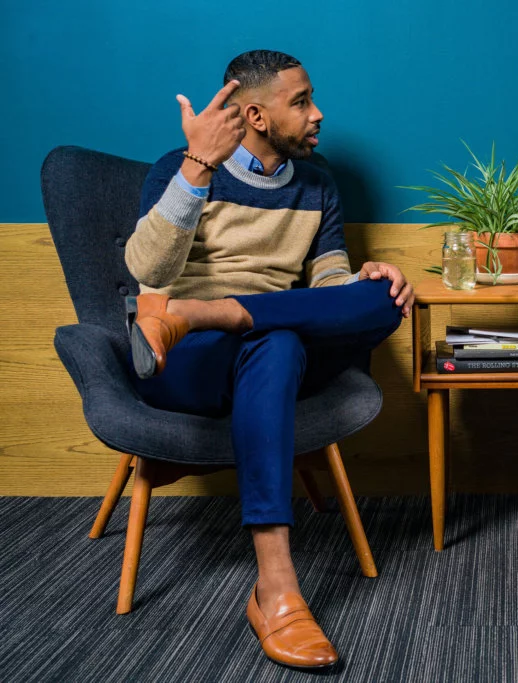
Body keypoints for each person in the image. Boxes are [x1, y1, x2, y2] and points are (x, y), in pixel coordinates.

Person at [125, 50, 414, 669]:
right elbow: (147, 272)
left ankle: (209, 312)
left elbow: (327, 273)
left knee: (384, 300)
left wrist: (360, 280)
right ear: (255, 114)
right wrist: (198, 167)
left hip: (250, 341)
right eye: (302, 102)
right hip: (181, 359)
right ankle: (277, 585)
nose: (318, 114)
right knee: (278, 340)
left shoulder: (317, 182)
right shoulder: (180, 170)